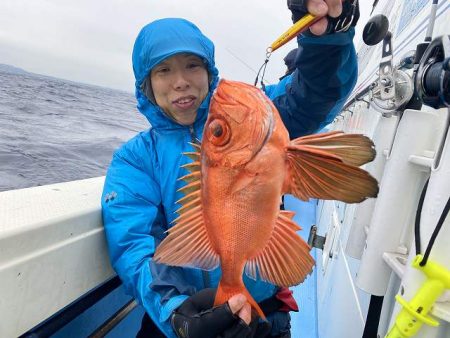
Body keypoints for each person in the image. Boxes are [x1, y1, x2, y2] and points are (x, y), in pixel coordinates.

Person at [102, 1, 359, 337]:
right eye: (163, 70)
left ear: (209, 72)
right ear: (146, 84)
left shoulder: (259, 115)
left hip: (262, 311)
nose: (180, 81)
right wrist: (176, 313)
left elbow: (313, 94)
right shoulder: (135, 159)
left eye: (192, 65)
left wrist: (326, 39)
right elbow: (134, 244)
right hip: (183, 319)